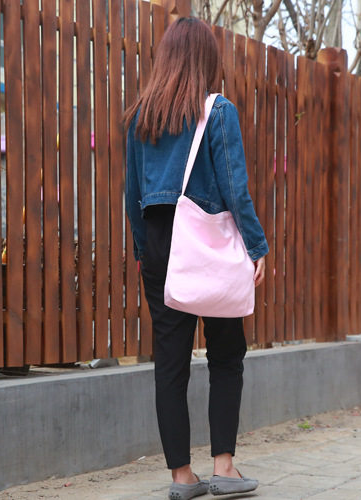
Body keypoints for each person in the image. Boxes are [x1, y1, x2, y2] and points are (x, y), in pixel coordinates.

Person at [125, 17, 268, 500]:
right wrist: (255, 245)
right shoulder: (218, 111)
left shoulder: (141, 116)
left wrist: (143, 251)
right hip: (208, 243)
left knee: (170, 362)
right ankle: (224, 467)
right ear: (208, 58)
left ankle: (182, 478)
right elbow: (234, 186)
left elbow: (132, 194)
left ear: (166, 56)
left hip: (159, 243)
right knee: (226, 352)